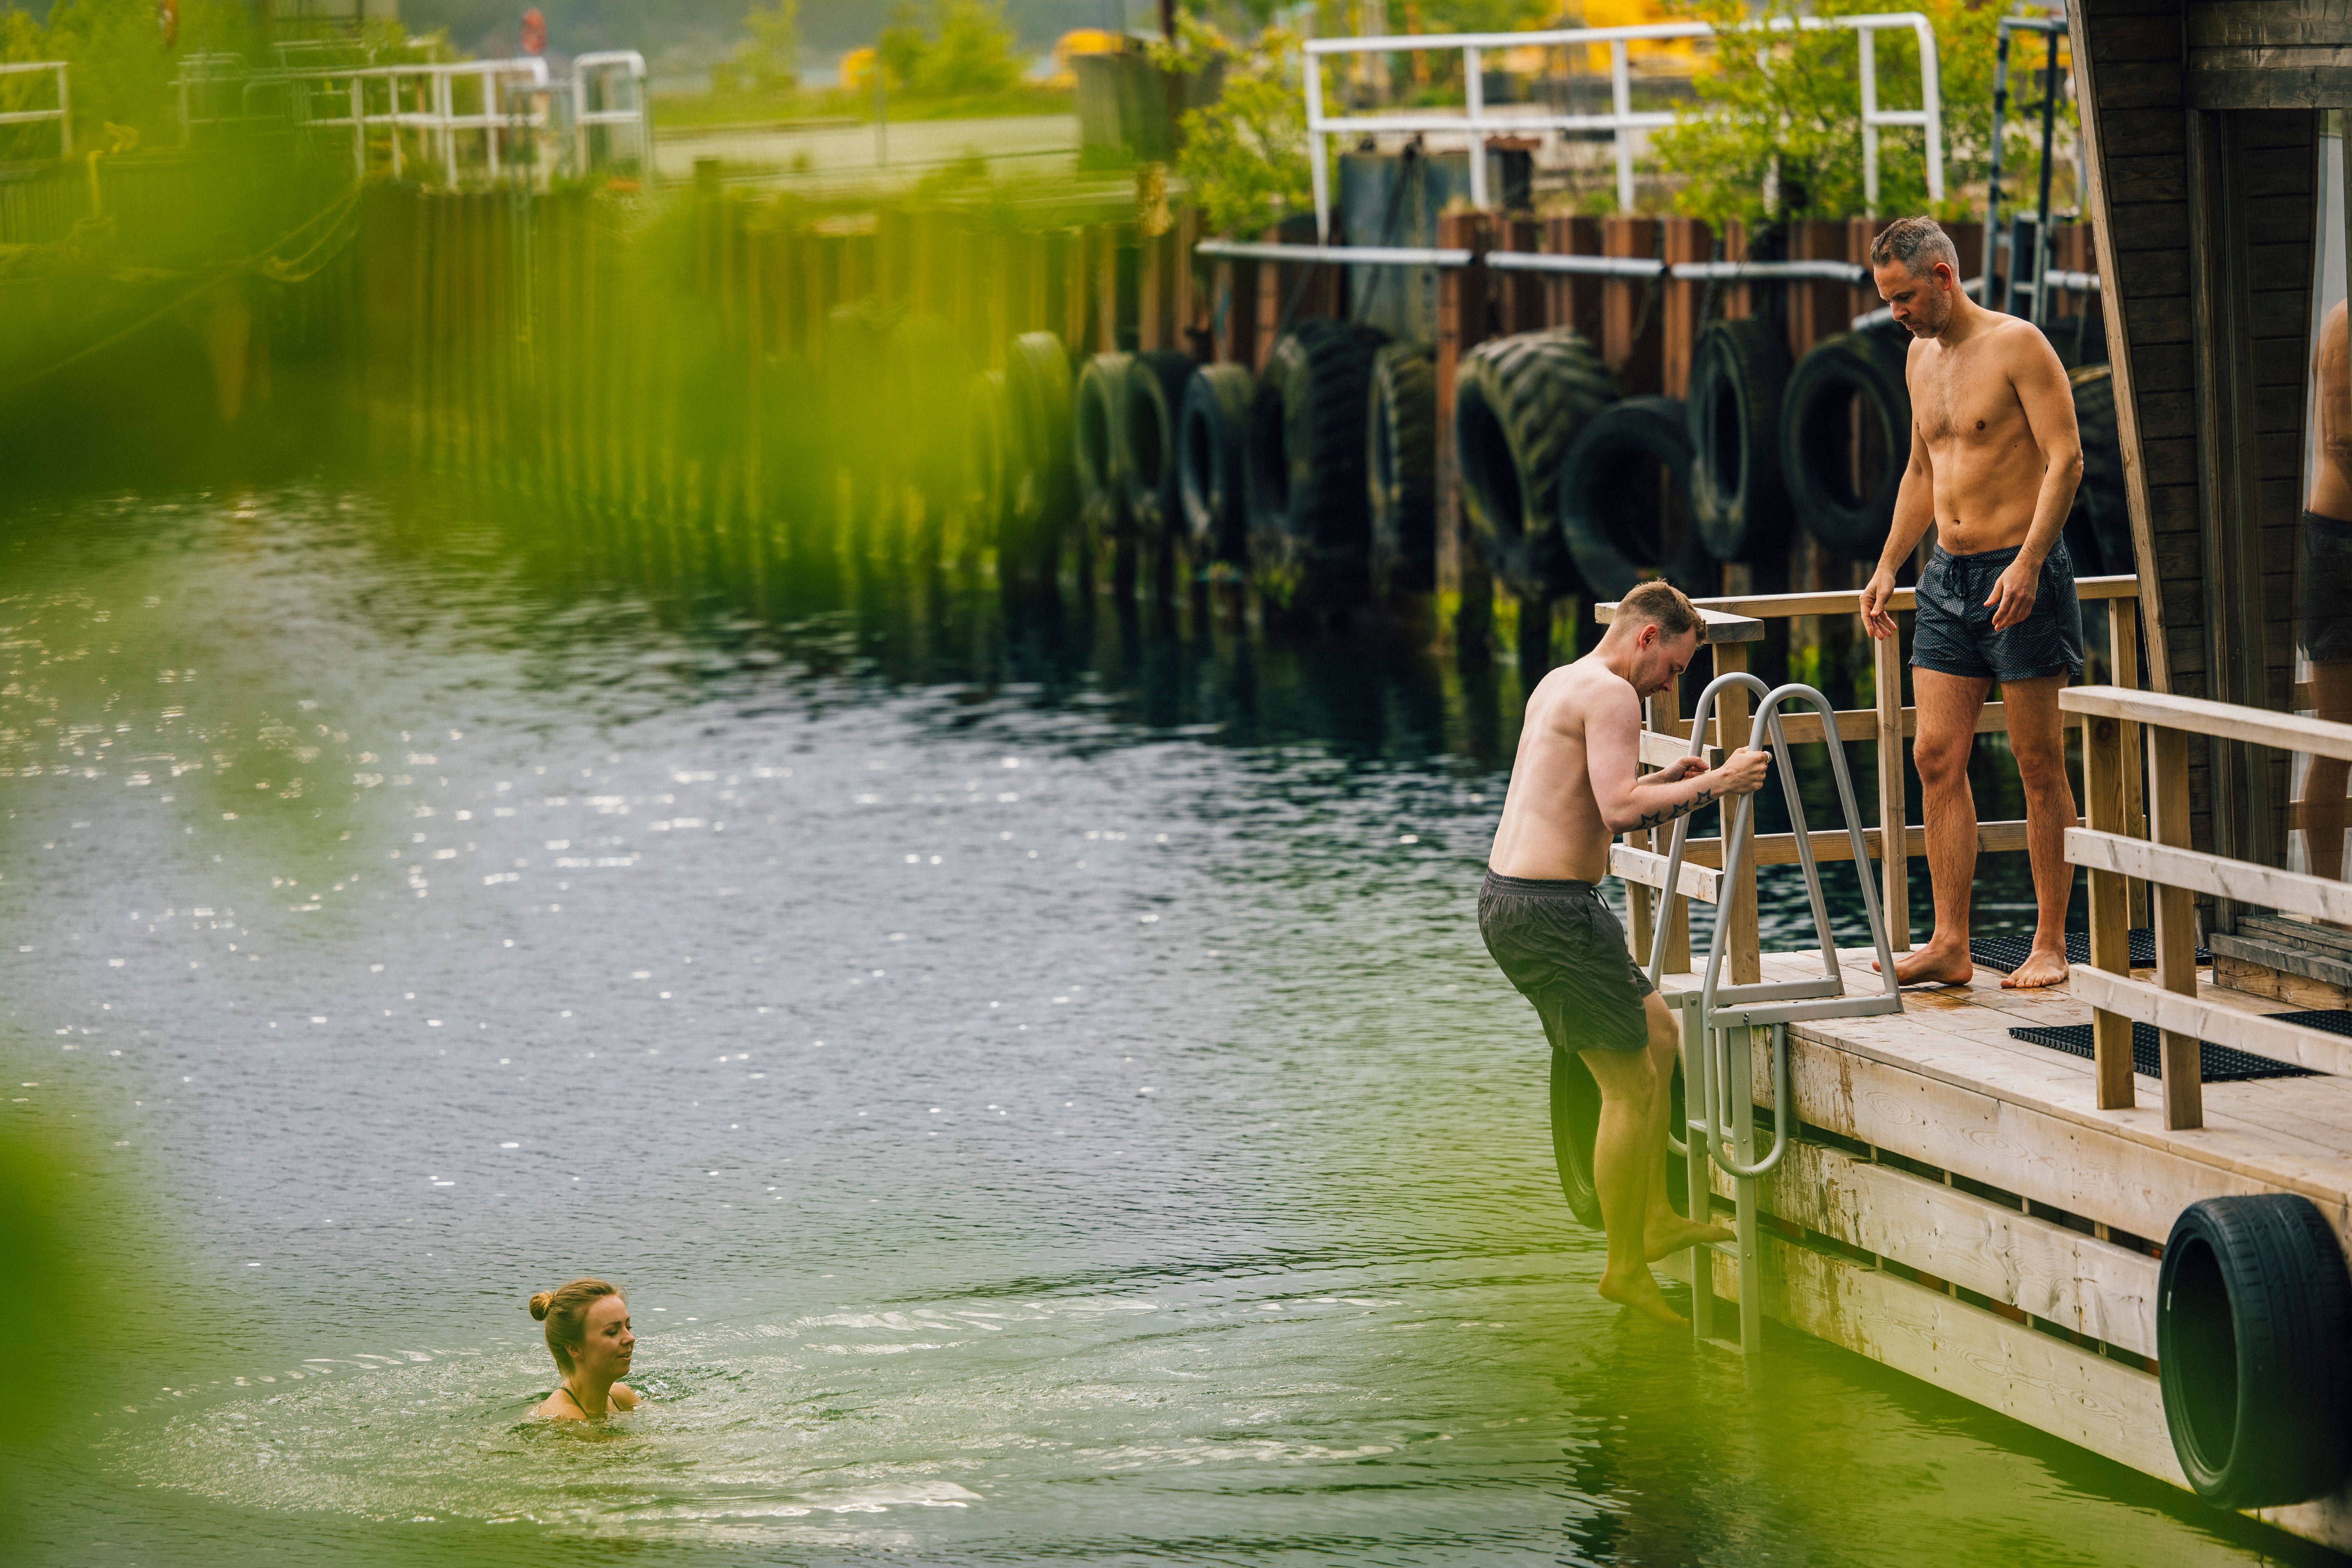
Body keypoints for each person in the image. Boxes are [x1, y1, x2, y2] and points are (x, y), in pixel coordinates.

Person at [1480, 579, 1770, 1326]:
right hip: (1548, 914)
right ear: (1646, 637)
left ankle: (1656, 1215)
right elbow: (1616, 811)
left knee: (1661, 1034)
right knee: (1629, 1088)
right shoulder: (1613, 696)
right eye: (1673, 666)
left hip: (1546, 903)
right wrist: (1718, 781)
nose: (1673, 683)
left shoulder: (1563, 680)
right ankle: (1624, 1265)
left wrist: (1665, 781)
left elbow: (1591, 795)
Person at [1859, 216, 2086, 989]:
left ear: (1944, 277)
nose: (1898, 314)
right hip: (1947, 581)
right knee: (1933, 756)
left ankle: (2050, 942)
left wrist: (2028, 564)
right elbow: (1923, 471)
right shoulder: (1920, 359)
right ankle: (1950, 941)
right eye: (1888, 300)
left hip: (2022, 575)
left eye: (1905, 298)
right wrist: (1890, 564)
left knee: (2036, 763)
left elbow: (2067, 459)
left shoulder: (2018, 344)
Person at [529, 1276, 642, 1420]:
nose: (631, 1338)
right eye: (613, 1332)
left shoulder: (621, 1396)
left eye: (628, 1327)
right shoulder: (563, 1417)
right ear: (575, 1349)